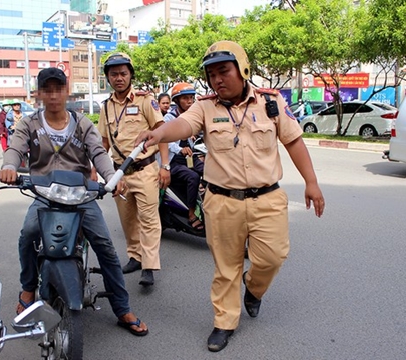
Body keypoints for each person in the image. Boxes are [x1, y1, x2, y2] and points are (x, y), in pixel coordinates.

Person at [135, 40, 325, 352]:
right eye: (211, 75)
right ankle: (224, 322)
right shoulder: (205, 106)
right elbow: (183, 125)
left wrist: (311, 182)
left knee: (272, 257)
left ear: (243, 68)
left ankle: (254, 289)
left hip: (267, 199)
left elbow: (293, 142)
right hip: (221, 201)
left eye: (223, 71)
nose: (217, 80)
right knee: (226, 268)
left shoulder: (271, 101)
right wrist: (159, 134)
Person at [0, 67, 148, 336]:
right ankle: (28, 286)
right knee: (28, 235)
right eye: (48, 90)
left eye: (59, 89)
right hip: (44, 195)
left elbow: (99, 152)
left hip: (81, 197)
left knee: (106, 247)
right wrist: (9, 167)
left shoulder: (82, 123)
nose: (54, 95)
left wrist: (112, 176)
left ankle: (121, 307)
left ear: (67, 92)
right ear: (40, 94)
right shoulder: (29, 124)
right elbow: (14, 148)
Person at [97, 52, 170, 287]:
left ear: (130, 75)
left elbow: (162, 131)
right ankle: (135, 257)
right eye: (114, 74)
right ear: (108, 78)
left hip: (146, 169)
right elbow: (104, 143)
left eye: (123, 73)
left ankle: (149, 266)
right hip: (119, 174)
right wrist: (93, 167)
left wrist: (165, 166)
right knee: (128, 220)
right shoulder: (106, 107)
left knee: (149, 219)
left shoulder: (145, 101)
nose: (119, 78)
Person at [164, 82, 204, 231]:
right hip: (173, 160)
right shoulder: (169, 118)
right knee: (193, 177)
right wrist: (180, 149)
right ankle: (192, 213)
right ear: (176, 101)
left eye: (191, 98)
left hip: (189, 157)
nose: (189, 101)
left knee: (211, 173)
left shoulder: (192, 116)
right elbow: (165, 141)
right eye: (185, 98)